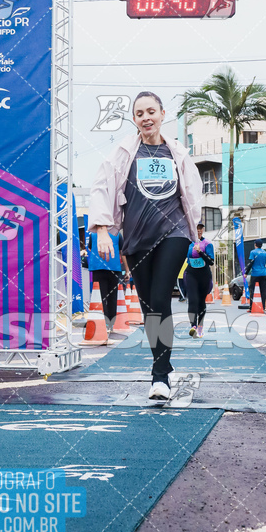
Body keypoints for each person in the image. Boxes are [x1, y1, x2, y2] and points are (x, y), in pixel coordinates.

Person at [89, 91, 202, 401]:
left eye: (151, 111)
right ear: (134, 120)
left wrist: (196, 230)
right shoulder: (124, 153)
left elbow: (192, 191)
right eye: (139, 113)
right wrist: (101, 230)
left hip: (173, 232)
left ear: (163, 114)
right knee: (148, 307)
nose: (146, 117)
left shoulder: (176, 151)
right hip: (137, 237)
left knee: (159, 296)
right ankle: (162, 363)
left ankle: (160, 376)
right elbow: (102, 187)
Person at [87, 230, 129, 333]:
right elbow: (122, 252)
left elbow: (89, 248)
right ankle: (111, 323)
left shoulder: (93, 234)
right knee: (112, 297)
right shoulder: (117, 234)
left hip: (98, 268)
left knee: (100, 296)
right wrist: (127, 270)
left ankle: (103, 323)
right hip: (113, 268)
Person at [185, 223, 215, 337]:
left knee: (201, 302)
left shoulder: (207, 243)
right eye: (196, 228)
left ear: (203, 230)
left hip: (204, 275)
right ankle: (193, 326)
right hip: (191, 273)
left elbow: (211, 261)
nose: (198, 231)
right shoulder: (188, 243)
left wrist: (200, 252)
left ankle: (200, 327)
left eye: (200, 229)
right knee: (192, 300)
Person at [247, 239, 266, 310]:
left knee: (252, 290)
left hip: (255, 274)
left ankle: (251, 307)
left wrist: (246, 273)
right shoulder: (265, 253)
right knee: (263, 290)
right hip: (263, 274)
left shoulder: (253, 252)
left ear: (255, 244)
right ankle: (263, 306)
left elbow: (250, 263)